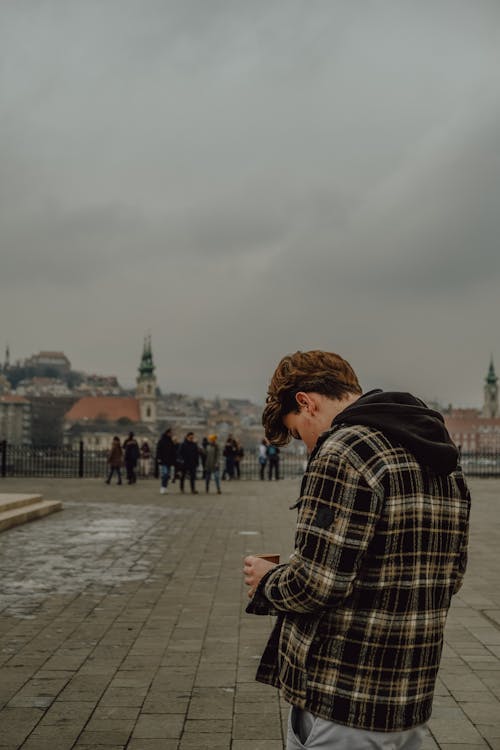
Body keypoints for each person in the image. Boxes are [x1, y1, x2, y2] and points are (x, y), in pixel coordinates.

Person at [243, 350, 471, 750]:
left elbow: (317, 583)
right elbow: (451, 575)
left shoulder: (344, 450)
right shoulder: (439, 453)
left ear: (306, 402)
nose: (307, 446)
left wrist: (267, 581)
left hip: (344, 698)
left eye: (298, 432)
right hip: (409, 696)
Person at [156, 428, 177, 495]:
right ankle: (162, 487)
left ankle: (164, 487)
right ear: (168, 433)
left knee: (167, 475)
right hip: (163, 460)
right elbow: (158, 450)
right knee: (165, 474)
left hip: (169, 461)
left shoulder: (171, 441)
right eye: (171, 433)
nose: (172, 434)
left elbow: (173, 452)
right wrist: (159, 458)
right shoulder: (162, 441)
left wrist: (174, 460)